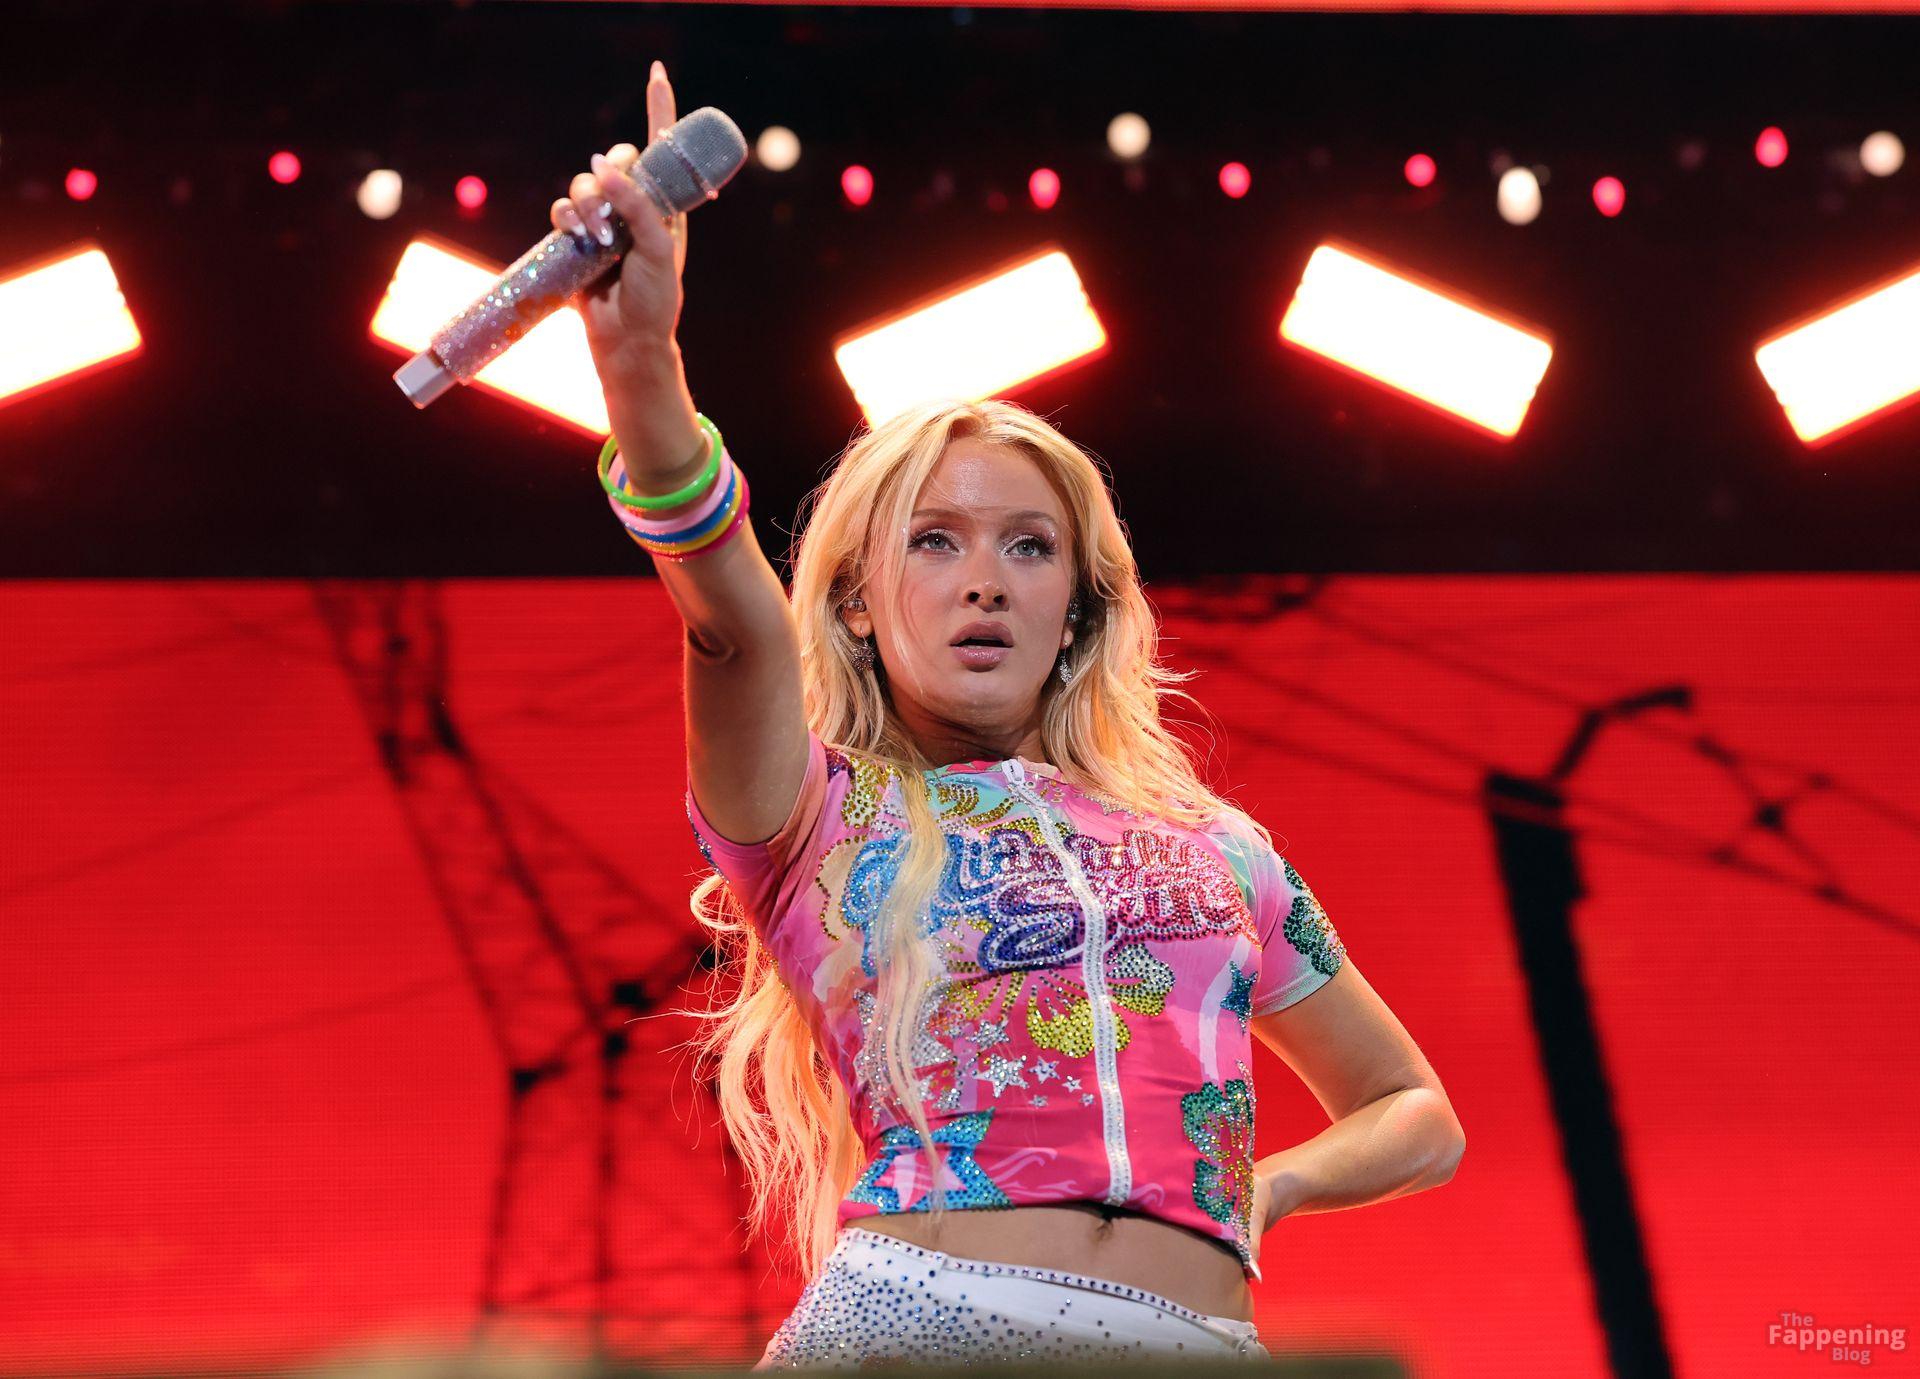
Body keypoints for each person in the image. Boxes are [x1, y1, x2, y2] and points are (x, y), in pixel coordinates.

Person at [556, 61, 1466, 1369]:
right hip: (919, 1330)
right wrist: (640, 358)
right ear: (857, 602)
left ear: (1079, 609)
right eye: (935, 540)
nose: (984, 579)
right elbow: (728, 615)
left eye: (1029, 547)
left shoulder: (1220, 853)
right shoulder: (813, 816)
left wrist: (1268, 1188)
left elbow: (1413, 1107)